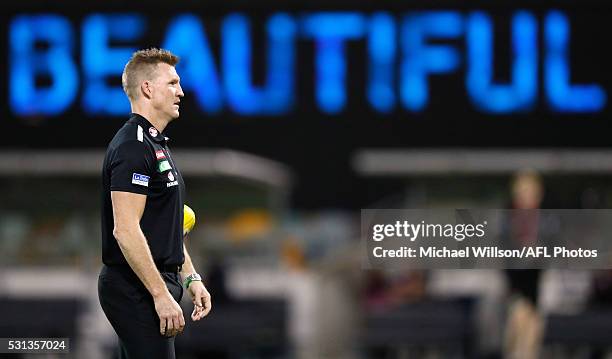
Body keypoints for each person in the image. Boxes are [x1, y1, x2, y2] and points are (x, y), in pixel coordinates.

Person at [98, 48, 212, 359]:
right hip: (136, 288)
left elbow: (165, 227)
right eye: (173, 83)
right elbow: (125, 230)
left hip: (153, 282)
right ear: (148, 88)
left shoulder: (154, 144)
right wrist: (160, 295)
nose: (182, 92)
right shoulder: (133, 147)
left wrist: (191, 277)